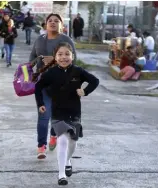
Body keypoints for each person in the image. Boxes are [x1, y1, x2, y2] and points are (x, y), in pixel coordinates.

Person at [35, 42, 99, 185]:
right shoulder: (50, 73)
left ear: (73, 56)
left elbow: (95, 81)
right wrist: (41, 104)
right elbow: (38, 87)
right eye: (60, 54)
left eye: (67, 54)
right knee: (62, 141)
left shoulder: (78, 71)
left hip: (74, 111)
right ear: (55, 57)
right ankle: (61, 174)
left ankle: (68, 160)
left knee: (73, 142)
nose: (64, 57)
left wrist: (85, 91)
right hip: (58, 112)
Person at [30, 13, 77, 159]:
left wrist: (56, 61)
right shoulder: (39, 40)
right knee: (44, 116)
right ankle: (41, 146)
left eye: (56, 21)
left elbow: (73, 61)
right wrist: (37, 62)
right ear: (45, 24)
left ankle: (53, 135)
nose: (53, 23)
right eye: (50, 20)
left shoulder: (66, 39)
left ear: (61, 25)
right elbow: (31, 60)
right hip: (43, 84)